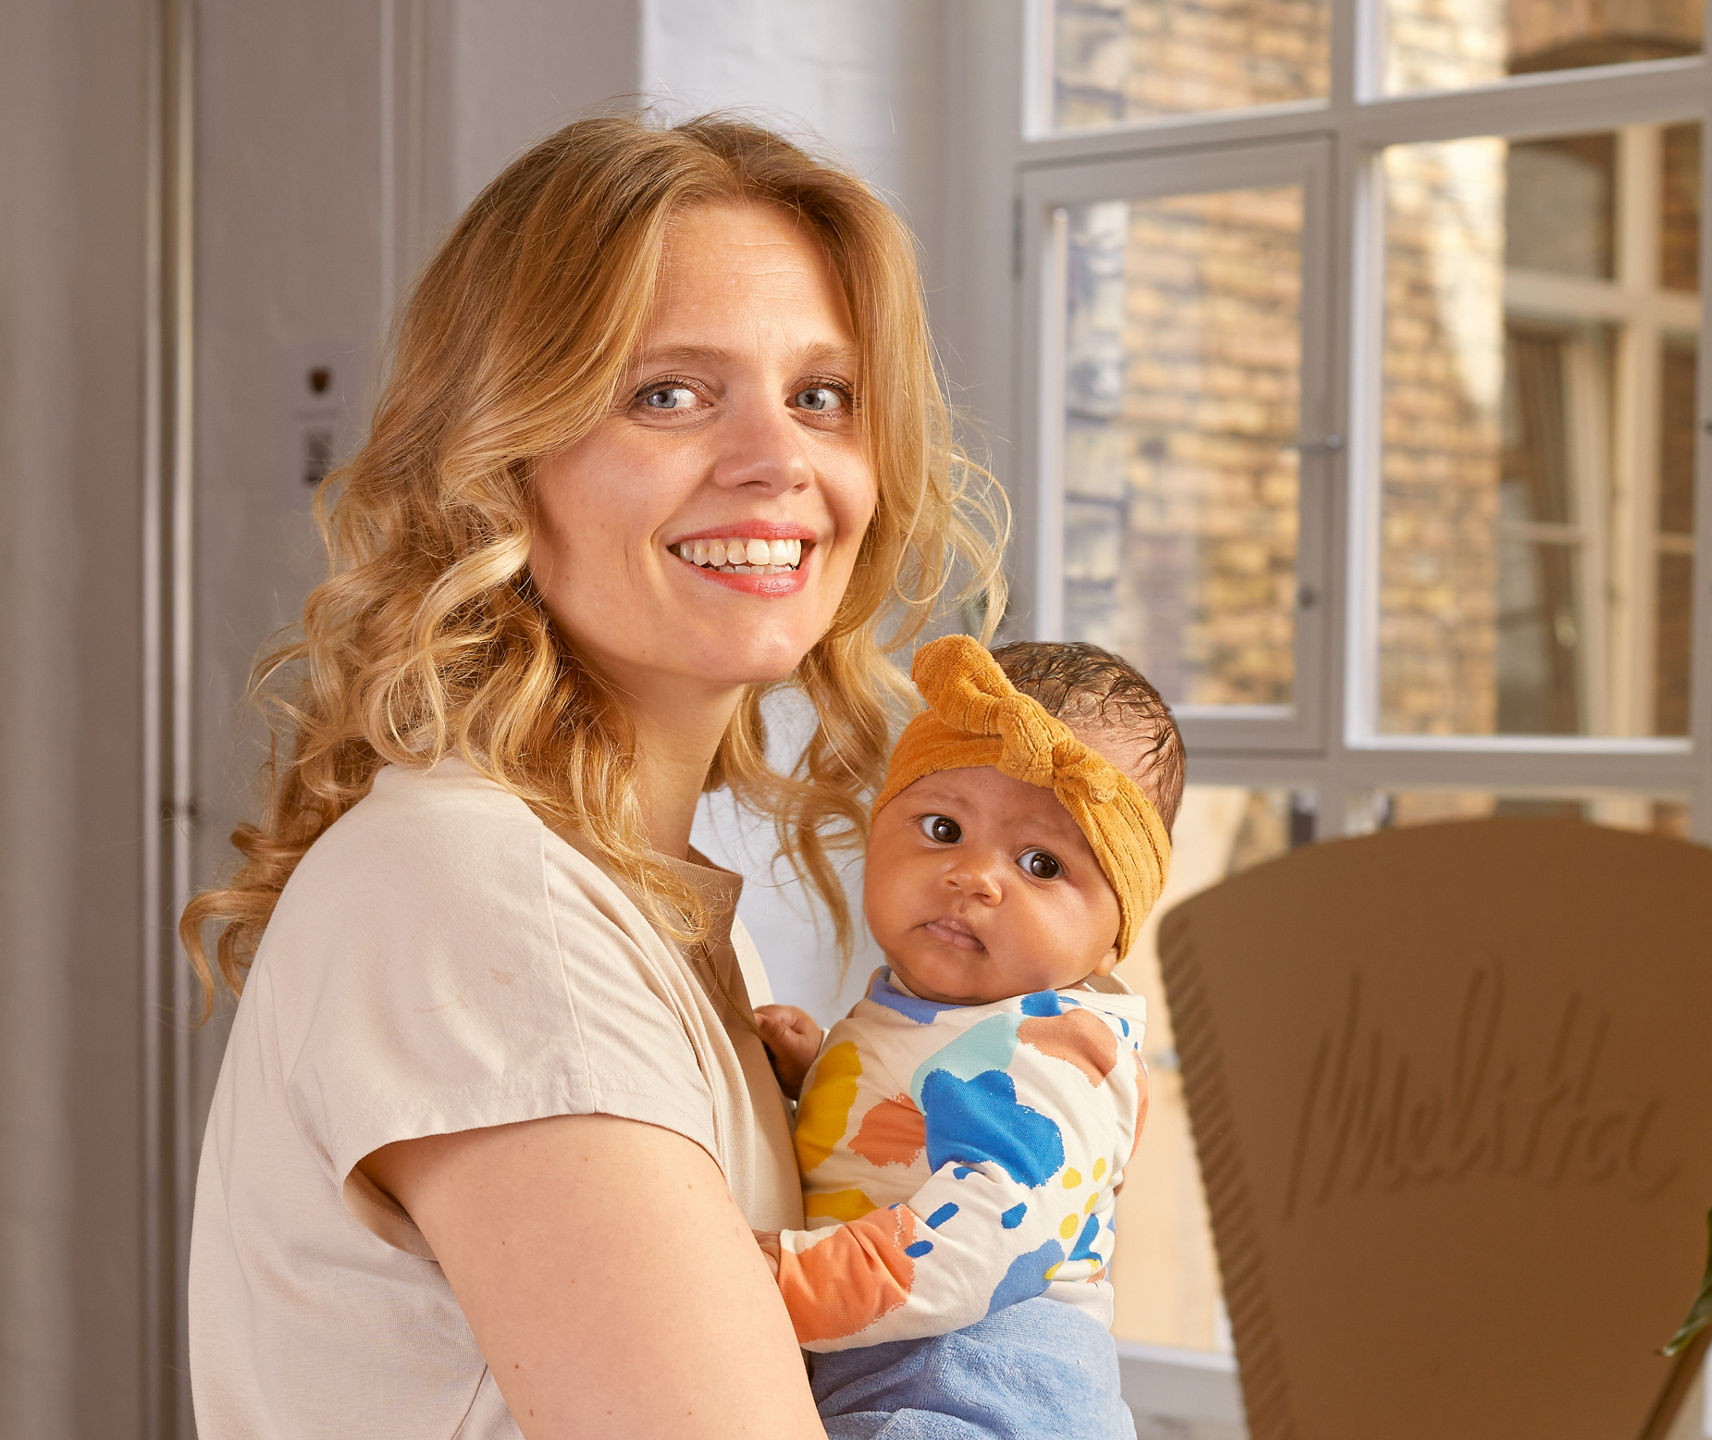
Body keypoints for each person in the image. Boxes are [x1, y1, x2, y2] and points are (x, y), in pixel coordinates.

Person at [181, 113, 1001, 1440]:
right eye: (667, 394)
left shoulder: (621, 893)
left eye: (823, 396)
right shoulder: (490, 901)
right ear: (500, 462)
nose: (779, 459)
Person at [753, 633, 1185, 1439]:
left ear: (1113, 935)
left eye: (1042, 864)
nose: (974, 876)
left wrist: (756, 1280)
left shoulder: (1060, 1057)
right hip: (905, 1361)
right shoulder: (941, 1014)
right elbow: (916, 1130)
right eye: (943, 828)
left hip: (988, 1380)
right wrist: (817, 1077)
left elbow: (980, 1242)